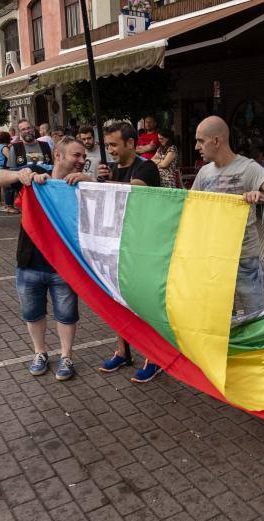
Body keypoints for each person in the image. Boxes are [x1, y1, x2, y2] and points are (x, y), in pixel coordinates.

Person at [0, 136, 108, 381]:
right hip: (30, 261)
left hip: (65, 265)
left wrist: (92, 180)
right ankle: (40, 352)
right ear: (58, 156)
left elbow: (111, 198)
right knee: (32, 313)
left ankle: (66, 356)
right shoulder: (37, 174)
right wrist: (20, 176)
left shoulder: (84, 184)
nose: (82, 161)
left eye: (84, 157)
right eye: (77, 155)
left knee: (66, 314)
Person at [193, 116, 264, 313]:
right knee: (221, 319)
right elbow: (191, 209)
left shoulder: (248, 167)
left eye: (201, 141)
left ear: (217, 141)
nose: (197, 146)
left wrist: (262, 194)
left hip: (245, 259)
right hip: (216, 259)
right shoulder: (204, 173)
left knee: (254, 319)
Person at [97, 122, 163, 383]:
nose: (110, 150)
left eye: (114, 144)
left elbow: (131, 191)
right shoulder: (110, 170)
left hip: (143, 248)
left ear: (131, 143)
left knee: (144, 305)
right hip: (117, 246)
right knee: (118, 300)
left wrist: (99, 182)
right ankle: (123, 351)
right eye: (108, 145)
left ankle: (153, 357)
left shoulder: (147, 167)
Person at [7, 120, 53, 214]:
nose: (27, 131)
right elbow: (12, 172)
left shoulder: (46, 145)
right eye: (23, 129)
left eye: (28, 128)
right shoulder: (15, 148)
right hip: (25, 193)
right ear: (20, 132)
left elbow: (52, 166)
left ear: (33, 129)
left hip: (45, 191)